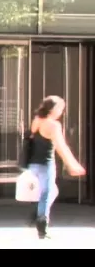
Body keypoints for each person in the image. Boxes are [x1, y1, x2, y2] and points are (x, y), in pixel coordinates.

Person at [27, 95, 85, 239]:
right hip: (46, 164)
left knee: (51, 191)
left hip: (33, 164)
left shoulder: (37, 120)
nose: (62, 112)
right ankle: (42, 225)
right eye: (60, 109)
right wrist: (73, 165)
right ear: (53, 109)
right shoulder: (53, 125)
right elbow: (61, 147)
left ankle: (38, 214)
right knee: (47, 193)